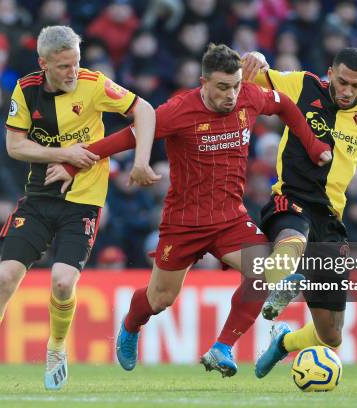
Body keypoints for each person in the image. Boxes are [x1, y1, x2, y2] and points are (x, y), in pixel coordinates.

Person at [46, 43, 332, 377]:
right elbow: (126, 138)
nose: (231, 95)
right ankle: (131, 324)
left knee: (264, 272)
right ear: (204, 82)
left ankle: (222, 348)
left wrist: (314, 145)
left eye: (236, 85)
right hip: (184, 223)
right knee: (160, 298)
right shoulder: (177, 111)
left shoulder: (250, 97)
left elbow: (285, 106)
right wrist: (73, 165)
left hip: (230, 218)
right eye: (223, 87)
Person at [0, 25, 158, 392]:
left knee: (62, 283)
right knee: (6, 277)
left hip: (84, 202)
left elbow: (147, 111)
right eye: (63, 66)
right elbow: (15, 145)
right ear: (43, 64)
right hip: (40, 198)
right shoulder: (26, 91)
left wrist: (141, 161)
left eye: (75, 63)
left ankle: (56, 347)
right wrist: (64, 154)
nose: (72, 72)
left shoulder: (95, 84)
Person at [239, 47, 357, 378]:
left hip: (330, 218)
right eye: (341, 82)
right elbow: (247, 73)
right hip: (290, 197)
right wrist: (254, 55)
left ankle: (284, 342)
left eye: (356, 85)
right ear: (330, 72)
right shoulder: (302, 86)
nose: (347, 91)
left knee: (331, 336)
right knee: (293, 238)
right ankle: (279, 284)